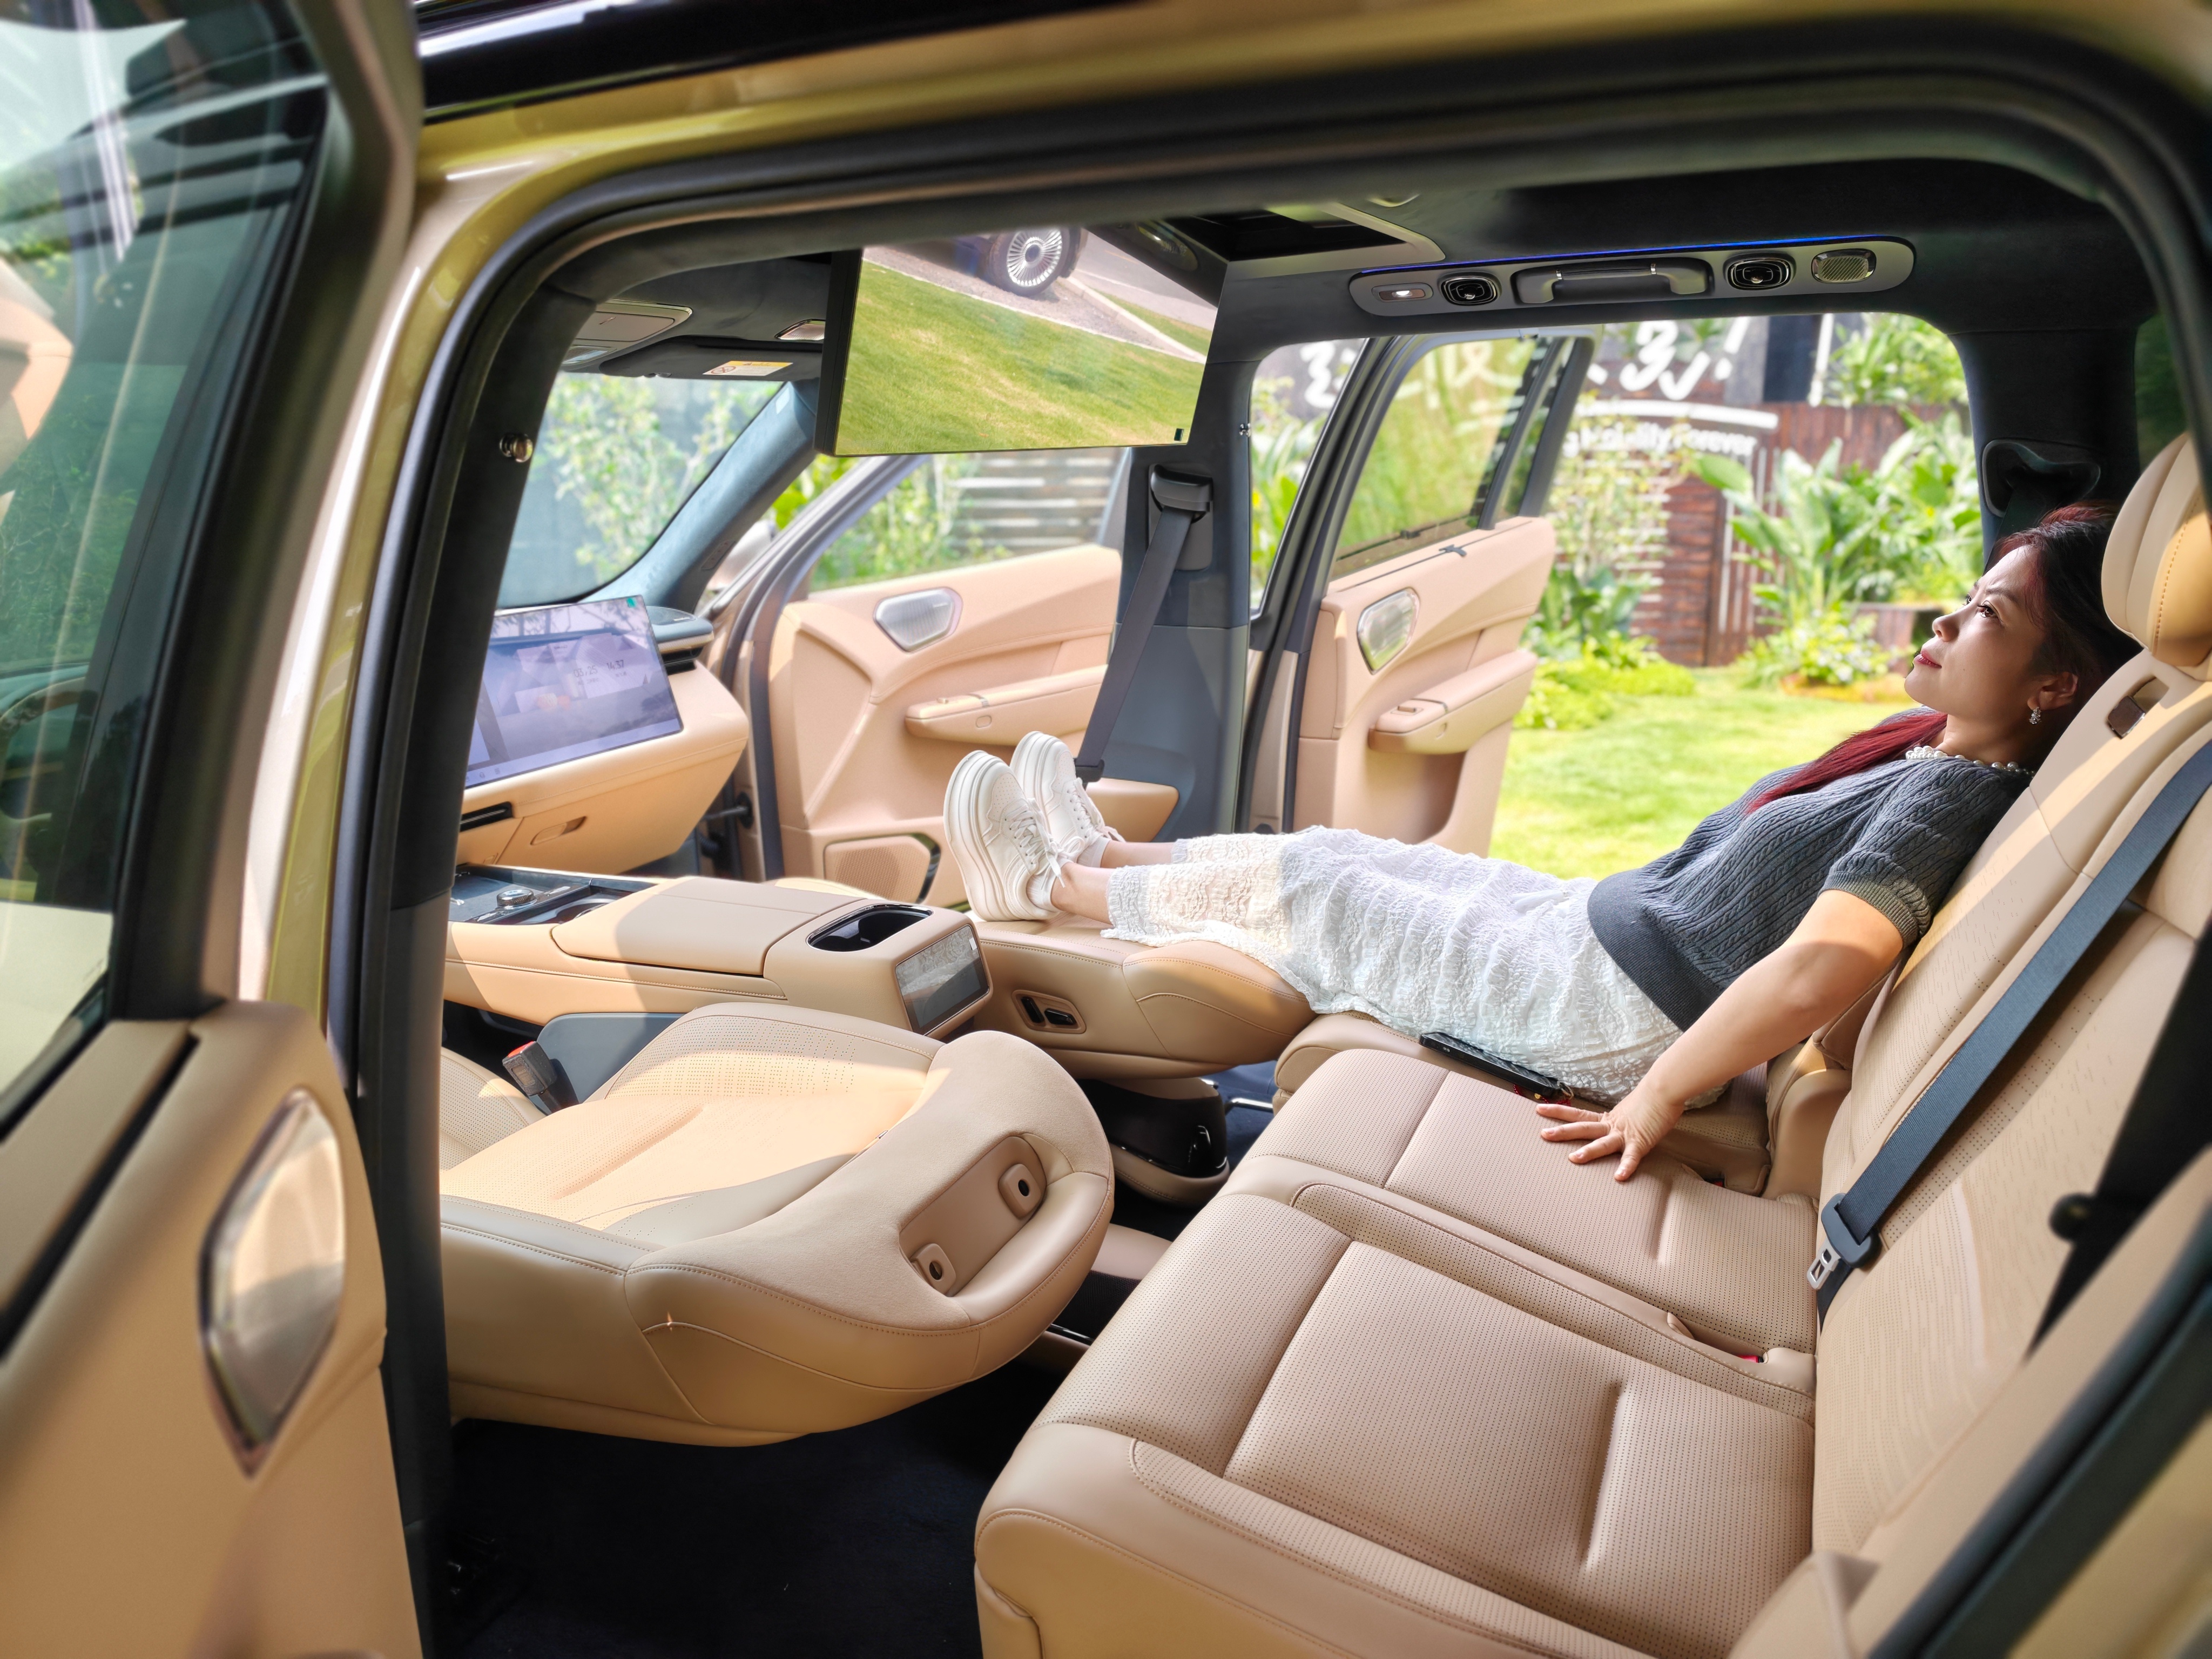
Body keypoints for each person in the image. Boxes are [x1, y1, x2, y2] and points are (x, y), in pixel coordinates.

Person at [943, 506, 2138, 1180]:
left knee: (1321, 893)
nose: (1947, 618)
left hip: (1607, 1014)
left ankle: (1049, 887)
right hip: (1600, 937)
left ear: (2052, 685)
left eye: (1987, 616)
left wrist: (1656, 1095)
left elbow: (1829, 964)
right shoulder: (1932, 755)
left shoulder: (1951, 796)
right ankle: (1103, 858)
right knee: (1352, 852)